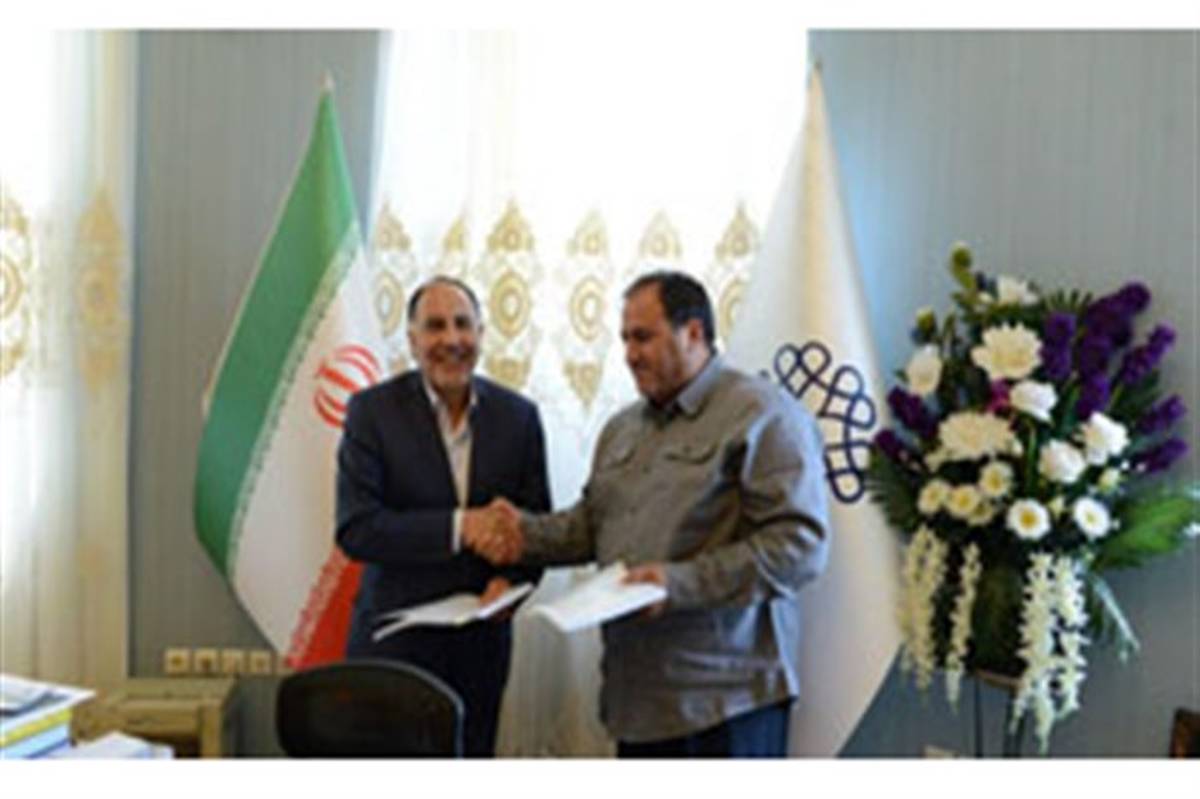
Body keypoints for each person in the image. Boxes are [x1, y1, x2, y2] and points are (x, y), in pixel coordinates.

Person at [477, 270, 830, 757]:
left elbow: (799, 547)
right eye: (625, 338)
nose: (629, 354)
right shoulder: (621, 429)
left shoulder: (763, 413)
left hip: (726, 702)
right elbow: (591, 526)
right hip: (638, 702)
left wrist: (676, 584)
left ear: (694, 333)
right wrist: (522, 533)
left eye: (643, 337)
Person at [335, 276, 550, 757]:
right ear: (412, 340)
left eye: (462, 324)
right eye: (435, 326)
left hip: (480, 652)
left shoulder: (519, 418)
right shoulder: (371, 413)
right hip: (393, 648)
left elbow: (536, 530)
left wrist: (513, 582)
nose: (451, 339)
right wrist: (460, 526)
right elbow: (357, 528)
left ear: (482, 334)